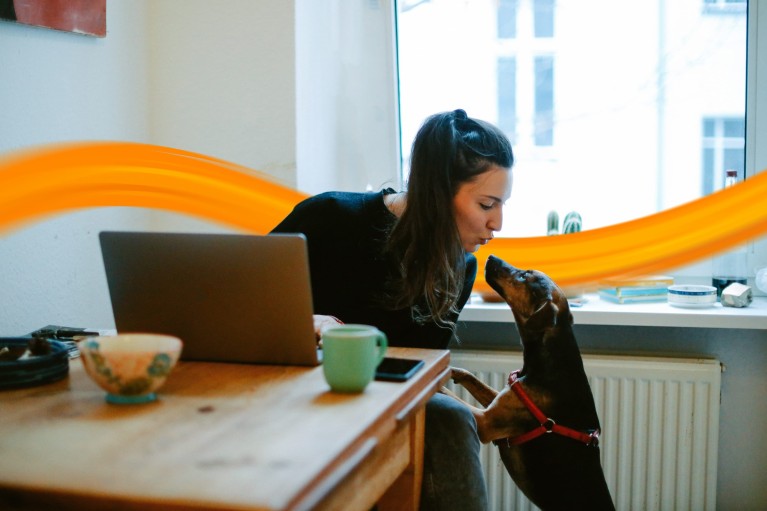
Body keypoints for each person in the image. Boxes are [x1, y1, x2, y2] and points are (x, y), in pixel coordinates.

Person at [271, 108, 513, 510]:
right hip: (291, 397)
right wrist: (303, 320)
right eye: (487, 204)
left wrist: (480, 418)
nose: (498, 224)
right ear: (439, 191)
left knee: (449, 420)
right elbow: (248, 295)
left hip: (378, 411)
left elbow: (417, 376)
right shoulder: (329, 217)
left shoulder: (461, 266)